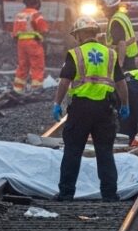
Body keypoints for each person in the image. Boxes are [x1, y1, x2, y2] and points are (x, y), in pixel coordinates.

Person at [51, 18, 129, 202]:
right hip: (105, 109)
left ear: (80, 34)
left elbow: (64, 81)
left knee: (73, 150)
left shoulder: (75, 54)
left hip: (81, 109)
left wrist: (57, 103)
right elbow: (121, 83)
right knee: (105, 152)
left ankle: (66, 193)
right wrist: (125, 104)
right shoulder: (110, 54)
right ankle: (110, 194)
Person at [11, 0, 49, 93]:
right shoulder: (36, 14)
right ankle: (36, 88)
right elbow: (43, 29)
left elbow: (14, 33)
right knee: (37, 64)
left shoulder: (19, 15)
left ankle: (18, 89)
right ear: (37, 3)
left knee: (22, 65)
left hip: (21, 44)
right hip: (33, 43)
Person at [100, 0, 138, 70]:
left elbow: (121, 43)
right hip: (129, 57)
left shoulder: (115, 21)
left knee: (123, 80)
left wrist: (120, 64)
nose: (102, 8)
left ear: (109, 7)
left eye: (103, 6)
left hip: (124, 60)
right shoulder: (121, 16)